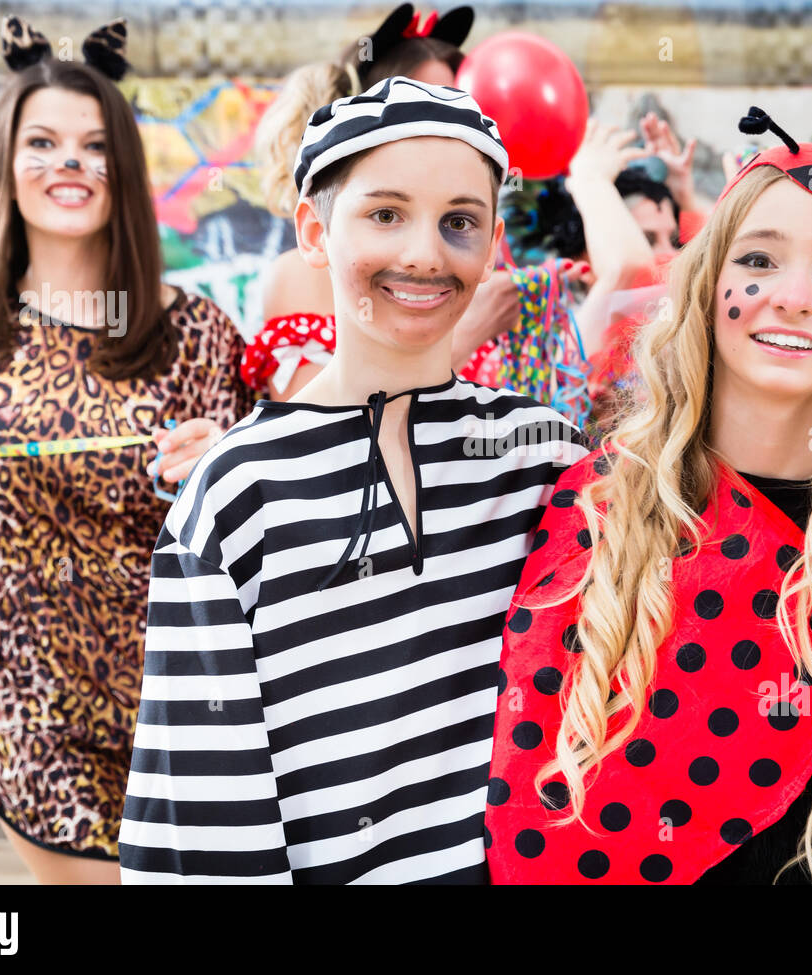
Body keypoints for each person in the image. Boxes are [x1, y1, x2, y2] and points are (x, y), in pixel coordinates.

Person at [485, 50, 812, 885]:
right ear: (704, 289)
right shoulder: (597, 510)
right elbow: (537, 823)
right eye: (760, 260)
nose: (797, 296)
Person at [118, 77, 589, 884]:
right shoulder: (236, 495)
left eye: (460, 223)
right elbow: (198, 823)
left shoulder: (542, 455)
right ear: (313, 228)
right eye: (385, 213)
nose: (424, 254)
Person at [0, 18, 254, 883]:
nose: (69, 163)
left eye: (93, 145)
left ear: (123, 170)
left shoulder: (191, 330)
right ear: (6, 162)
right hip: (22, 698)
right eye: (42, 142)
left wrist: (228, 452)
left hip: (176, 690)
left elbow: (272, 499)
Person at [246, 3, 520, 400]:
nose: (449, 124)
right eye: (386, 215)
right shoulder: (301, 274)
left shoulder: (461, 269)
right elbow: (314, 439)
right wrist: (470, 333)